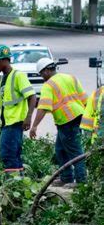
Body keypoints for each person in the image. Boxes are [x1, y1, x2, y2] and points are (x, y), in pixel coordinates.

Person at [30, 58, 88, 187]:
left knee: (75, 151)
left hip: (68, 120)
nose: (41, 77)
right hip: (76, 116)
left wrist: (34, 126)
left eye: (41, 74)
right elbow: (85, 99)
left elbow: (43, 107)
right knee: (60, 150)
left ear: (46, 71)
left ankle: (81, 181)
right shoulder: (70, 78)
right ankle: (66, 177)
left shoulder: (49, 85)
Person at [0, 44, 36, 175]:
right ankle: (19, 184)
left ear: (6, 60)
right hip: (8, 124)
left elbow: (32, 96)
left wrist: (28, 117)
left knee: (8, 155)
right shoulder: (4, 79)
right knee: (14, 156)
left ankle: (13, 185)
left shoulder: (18, 76)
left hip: (14, 123)